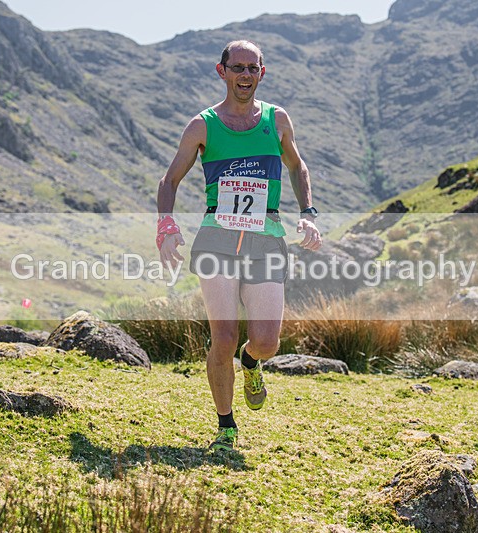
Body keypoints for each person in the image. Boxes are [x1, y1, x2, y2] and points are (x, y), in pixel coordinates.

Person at [156, 40, 322, 452]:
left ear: (261, 73)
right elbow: (169, 180)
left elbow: (297, 166)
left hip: (266, 237)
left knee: (267, 342)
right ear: (222, 71)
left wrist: (308, 211)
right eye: (238, 68)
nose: (245, 75)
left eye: (253, 68)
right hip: (217, 237)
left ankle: (251, 364)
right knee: (224, 336)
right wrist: (166, 225)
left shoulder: (277, 120)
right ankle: (225, 425)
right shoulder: (202, 126)